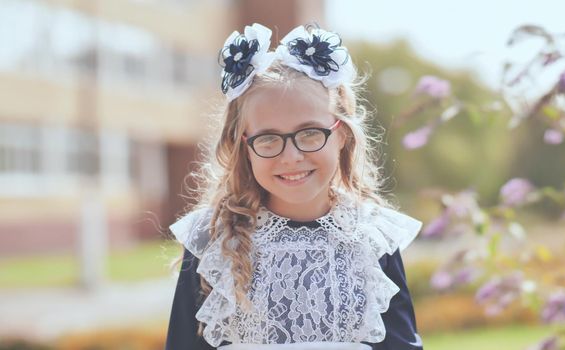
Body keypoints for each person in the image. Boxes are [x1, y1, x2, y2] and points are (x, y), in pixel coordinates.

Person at [165, 23, 424, 350]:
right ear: (245, 146)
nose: (292, 156)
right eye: (269, 138)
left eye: (310, 133)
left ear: (341, 134)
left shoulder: (372, 236)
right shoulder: (211, 238)